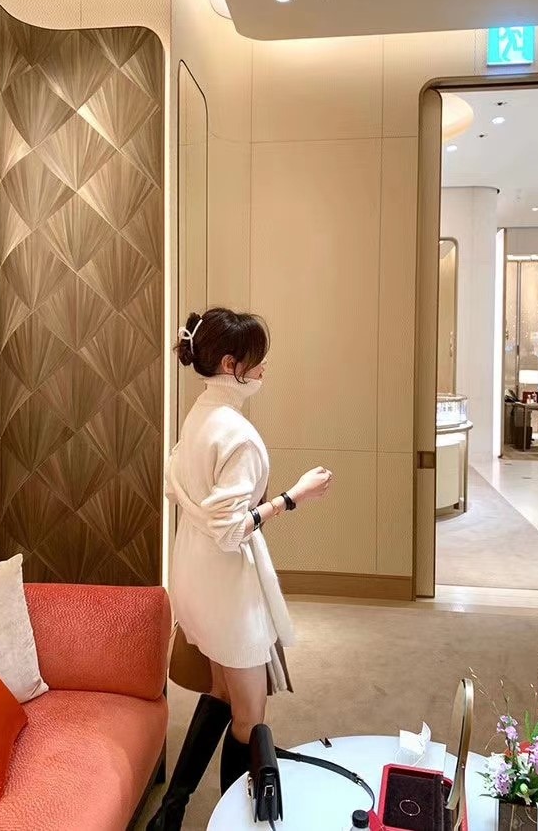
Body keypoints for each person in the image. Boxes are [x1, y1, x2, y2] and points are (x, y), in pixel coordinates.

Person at [147, 307, 333, 831]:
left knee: (222, 692)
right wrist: (293, 497)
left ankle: (171, 810)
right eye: (258, 360)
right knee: (250, 717)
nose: (264, 368)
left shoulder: (199, 415)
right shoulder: (239, 437)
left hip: (195, 577)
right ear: (231, 364)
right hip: (228, 591)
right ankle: (234, 821)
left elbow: (183, 489)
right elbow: (231, 531)